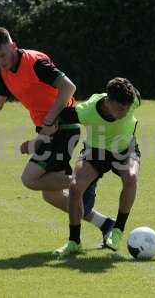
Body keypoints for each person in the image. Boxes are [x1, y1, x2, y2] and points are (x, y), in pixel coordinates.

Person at [0, 27, 115, 243]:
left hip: (64, 126)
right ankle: (106, 224)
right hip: (47, 130)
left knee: (31, 179)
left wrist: (50, 120)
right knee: (51, 194)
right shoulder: (3, 74)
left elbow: (68, 87)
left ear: (12, 46)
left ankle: (83, 181)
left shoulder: (35, 63)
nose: (1, 62)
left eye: (3, 55)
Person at [52, 77, 141, 257]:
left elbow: (133, 95)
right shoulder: (86, 110)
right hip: (95, 151)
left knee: (131, 178)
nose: (124, 113)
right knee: (75, 188)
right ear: (107, 102)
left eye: (127, 109)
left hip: (125, 149)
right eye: (120, 109)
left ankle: (117, 231)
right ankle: (74, 241)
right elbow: (61, 115)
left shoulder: (133, 100)